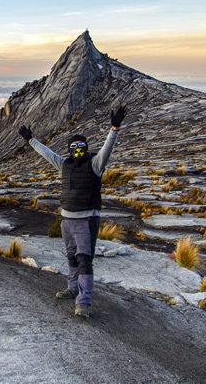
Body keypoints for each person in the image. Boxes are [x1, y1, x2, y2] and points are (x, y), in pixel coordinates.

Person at [18, 104, 127, 318]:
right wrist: (31, 140)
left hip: (87, 220)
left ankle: (83, 302)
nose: (77, 149)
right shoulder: (63, 164)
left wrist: (114, 129)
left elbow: (107, 149)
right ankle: (73, 288)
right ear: (68, 149)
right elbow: (47, 153)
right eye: (74, 146)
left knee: (85, 259)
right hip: (66, 219)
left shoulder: (95, 163)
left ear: (86, 147)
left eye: (81, 145)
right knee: (71, 257)